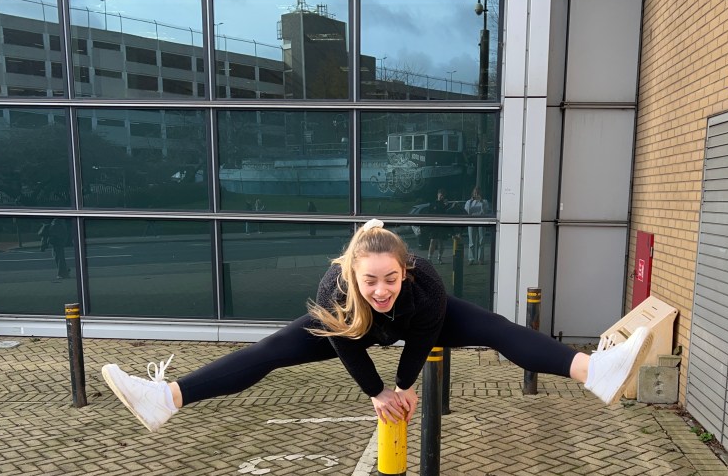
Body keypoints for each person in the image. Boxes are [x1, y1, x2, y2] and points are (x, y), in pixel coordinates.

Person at [101, 219, 653, 433]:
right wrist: (376, 393)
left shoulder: (426, 285)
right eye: (371, 280)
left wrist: (405, 389)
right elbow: (351, 350)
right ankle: (167, 398)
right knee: (271, 350)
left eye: (390, 278)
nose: (382, 289)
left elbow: (423, 339)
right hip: (354, 335)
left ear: (405, 269)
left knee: (494, 326)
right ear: (353, 274)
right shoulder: (335, 291)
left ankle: (592, 371)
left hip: (418, 327)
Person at [464, 186, 490, 264]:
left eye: (478, 193)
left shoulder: (484, 201)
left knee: (481, 241)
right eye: (475, 193)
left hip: (481, 221)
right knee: (471, 241)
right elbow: (467, 211)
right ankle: (471, 259)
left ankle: (480, 259)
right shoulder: (469, 202)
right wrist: (471, 201)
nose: (476, 194)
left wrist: (481, 202)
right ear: (473, 193)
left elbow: (485, 212)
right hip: (471, 221)